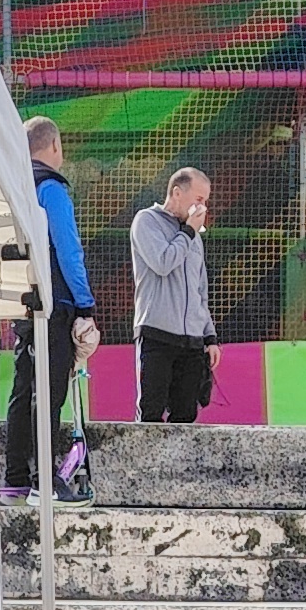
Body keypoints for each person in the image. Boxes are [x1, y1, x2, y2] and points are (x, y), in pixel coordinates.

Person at [5, 117, 94, 495]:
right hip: (54, 304)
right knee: (50, 392)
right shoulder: (51, 189)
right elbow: (68, 249)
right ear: (54, 146)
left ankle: (16, 477)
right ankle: (45, 478)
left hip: (20, 304)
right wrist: (85, 305)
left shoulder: (11, 185)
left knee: (22, 390)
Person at [129, 166, 218, 425]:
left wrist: (209, 336)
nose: (202, 207)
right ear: (177, 193)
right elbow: (163, 262)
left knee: (186, 416)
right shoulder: (146, 221)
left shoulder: (194, 237)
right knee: (151, 413)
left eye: (205, 201)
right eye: (198, 199)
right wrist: (188, 232)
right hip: (157, 334)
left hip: (192, 341)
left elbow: (200, 291)